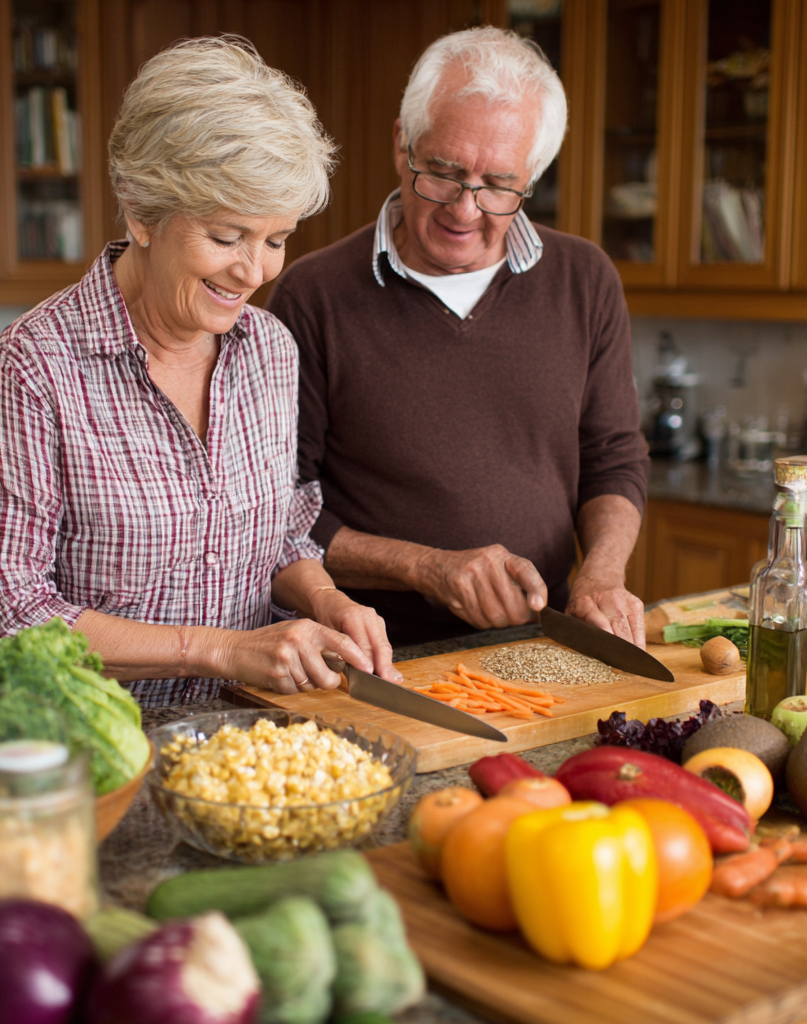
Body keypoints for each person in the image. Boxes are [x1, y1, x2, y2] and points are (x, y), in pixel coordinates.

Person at [0, 37, 399, 706]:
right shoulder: (33, 366)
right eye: (226, 237)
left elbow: (276, 534)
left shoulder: (270, 350)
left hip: (251, 740)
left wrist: (328, 600)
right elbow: (4, 613)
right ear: (141, 213)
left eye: (275, 240)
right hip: (99, 751)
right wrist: (219, 650)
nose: (254, 272)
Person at [268, 26, 650, 649]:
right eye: (443, 172)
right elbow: (279, 512)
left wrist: (601, 575)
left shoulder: (585, 279)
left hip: (539, 644)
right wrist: (426, 568)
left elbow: (613, 457)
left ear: (533, 176)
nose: (465, 210)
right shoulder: (311, 296)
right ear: (402, 144)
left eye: (499, 185)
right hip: (372, 655)